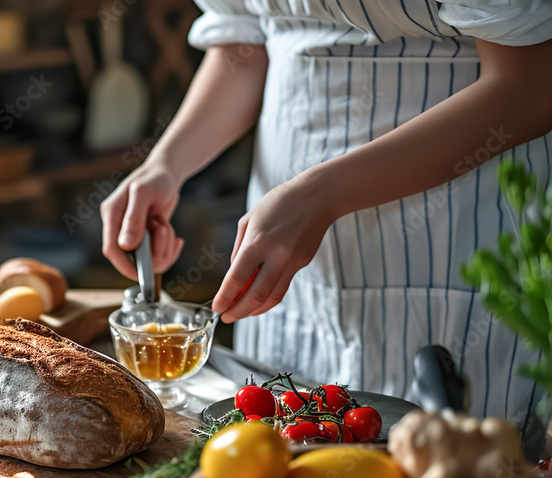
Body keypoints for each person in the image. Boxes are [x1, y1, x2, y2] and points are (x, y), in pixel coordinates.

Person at [100, 0, 552, 423]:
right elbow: (244, 43)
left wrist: (321, 194)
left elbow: (530, 87)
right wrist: (165, 164)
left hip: (454, 227)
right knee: (287, 468)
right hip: (287, 248)